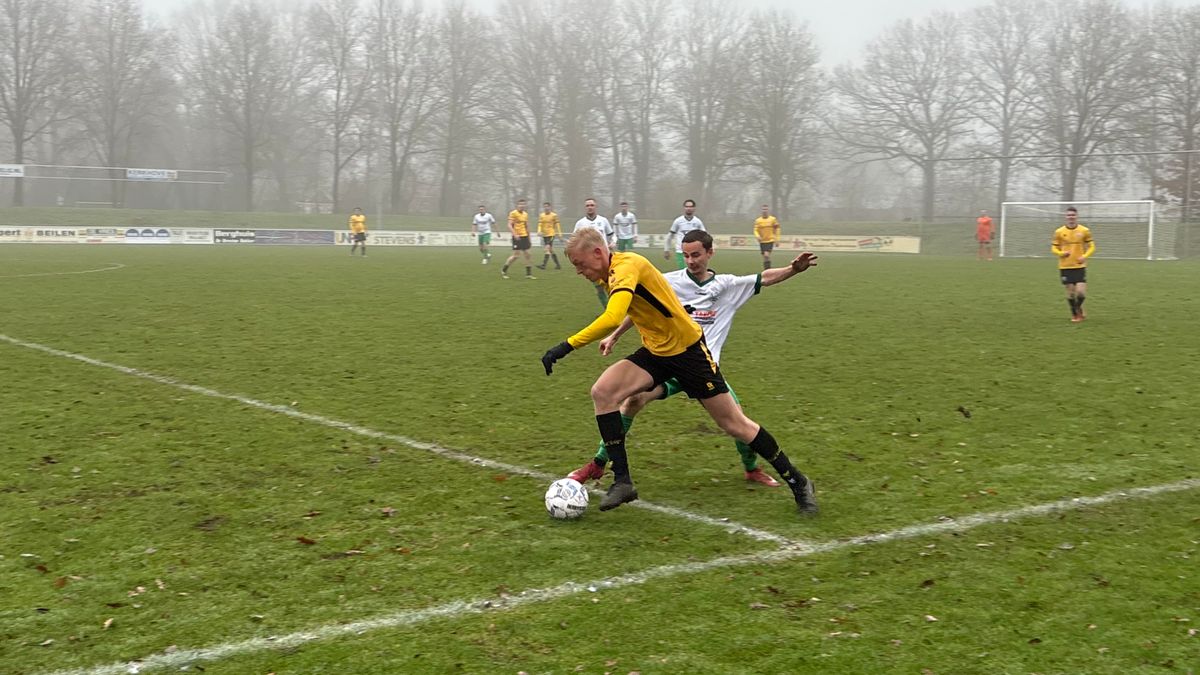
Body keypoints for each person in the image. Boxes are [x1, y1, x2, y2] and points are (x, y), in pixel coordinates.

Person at [541, 228, 818, 515]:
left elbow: (612, 316)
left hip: (690, 355)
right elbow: (636, 311)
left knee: (735, 425)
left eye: (579, 263)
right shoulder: (614, 273)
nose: (578, 270)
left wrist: (565, 346)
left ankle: (799, 481)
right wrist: (616, 337)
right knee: (604, 391)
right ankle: (622, 480)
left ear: (598, 253)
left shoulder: (626, 267)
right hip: (657, 354)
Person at [1052, 206, 1096, 322]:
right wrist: (1061, 253)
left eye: (1073, 215)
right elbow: (1054, 248)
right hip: (1065, 266)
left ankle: (1077, 308)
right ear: (1066, 217)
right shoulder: (1059, 232)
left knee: (1081, 293)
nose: (1071, 217)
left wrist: (1084, 256)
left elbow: (1092, 246)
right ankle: (1075, 314)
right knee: (1071, 293)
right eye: (1069, 215)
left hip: (1079, 265)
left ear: (1077, 216)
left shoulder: (1084, 231)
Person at [573, 197, 615, 306]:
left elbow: (612, 235)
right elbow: (574, 240)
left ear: (596, 207)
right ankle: (608, 310)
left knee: (612, 284)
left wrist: (613, 242)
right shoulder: (580, 223)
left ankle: (615, 308)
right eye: (587, 205)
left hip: (606, 257)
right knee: (599, 287)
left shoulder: (603, 220)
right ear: (585, 208)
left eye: (592, 205)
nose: (590, 207)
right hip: (590, 260)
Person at [664, 199, 706, 269]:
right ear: (684, 208)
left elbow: (704, 236)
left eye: (691, 206)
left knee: (694, 272)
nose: (689, 208)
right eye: (687, 206)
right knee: (683, 272)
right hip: (681, 251)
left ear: (694, 208)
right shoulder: (678, 221)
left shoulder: (697, 222)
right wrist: (666, 249)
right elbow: (670, 236)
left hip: (694, 251)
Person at [501, 198, 536, 279]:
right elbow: (509, 225)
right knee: (516, 256)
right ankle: (504, 270)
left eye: (523, 204)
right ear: (517, 205)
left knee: (528, 254)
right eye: (520, 204)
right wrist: (515, 234)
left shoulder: (525, 214)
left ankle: (528, 274)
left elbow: (527, 226)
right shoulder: (513, 213)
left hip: (524, 236)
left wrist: (529, 238)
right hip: (517, 237)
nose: (522, 206)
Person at [753, 204, 781, 270]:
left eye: (766, 209)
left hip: (770, 240)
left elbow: (777, 229)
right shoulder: (758, 221)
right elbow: (755, 230)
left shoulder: (773, 219)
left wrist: (777, 239)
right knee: (765, 257)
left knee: (766, 255)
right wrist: (758, 236)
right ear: (761, 210)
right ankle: (767, 270)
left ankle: (768, 271)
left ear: (768, 210)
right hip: (762, 241)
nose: (764, 211)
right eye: (763, 209)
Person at [536, 202, 563, 270]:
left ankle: (543, 265)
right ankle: (558, 265)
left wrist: (560, 234)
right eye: (545, 206)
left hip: (551, 234)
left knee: (546, 249)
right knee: (551, 250)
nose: (546, 208)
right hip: (545, 235)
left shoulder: (554, 215)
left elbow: (557, 225)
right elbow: (540, 224)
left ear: (550, 207)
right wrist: (539, 231)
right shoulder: (541, 215)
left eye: (547, 206)